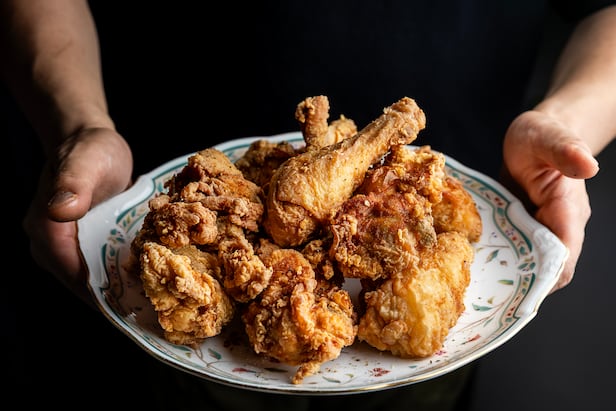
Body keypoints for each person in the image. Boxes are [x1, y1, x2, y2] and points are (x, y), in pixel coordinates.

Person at [4, 0, 616, 409]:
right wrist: (78, 122)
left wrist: (567, 122)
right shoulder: (266, 220)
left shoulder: (408, 213)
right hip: (165, 149)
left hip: (458, 165)